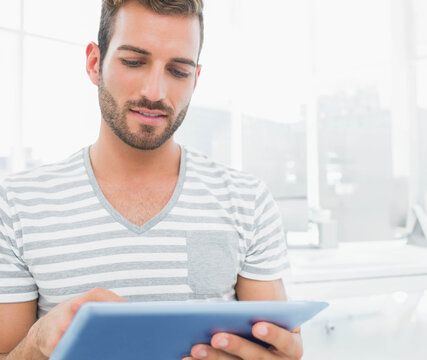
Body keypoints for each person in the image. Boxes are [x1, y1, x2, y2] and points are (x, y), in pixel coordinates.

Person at [0, 1, 302, 359]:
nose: (155, 92)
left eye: (178, 71)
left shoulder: (246, 200)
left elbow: (275, 346)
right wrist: (36, 344)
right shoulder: (18, 205)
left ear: (195, 79)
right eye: (133, 61)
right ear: (95, 63)